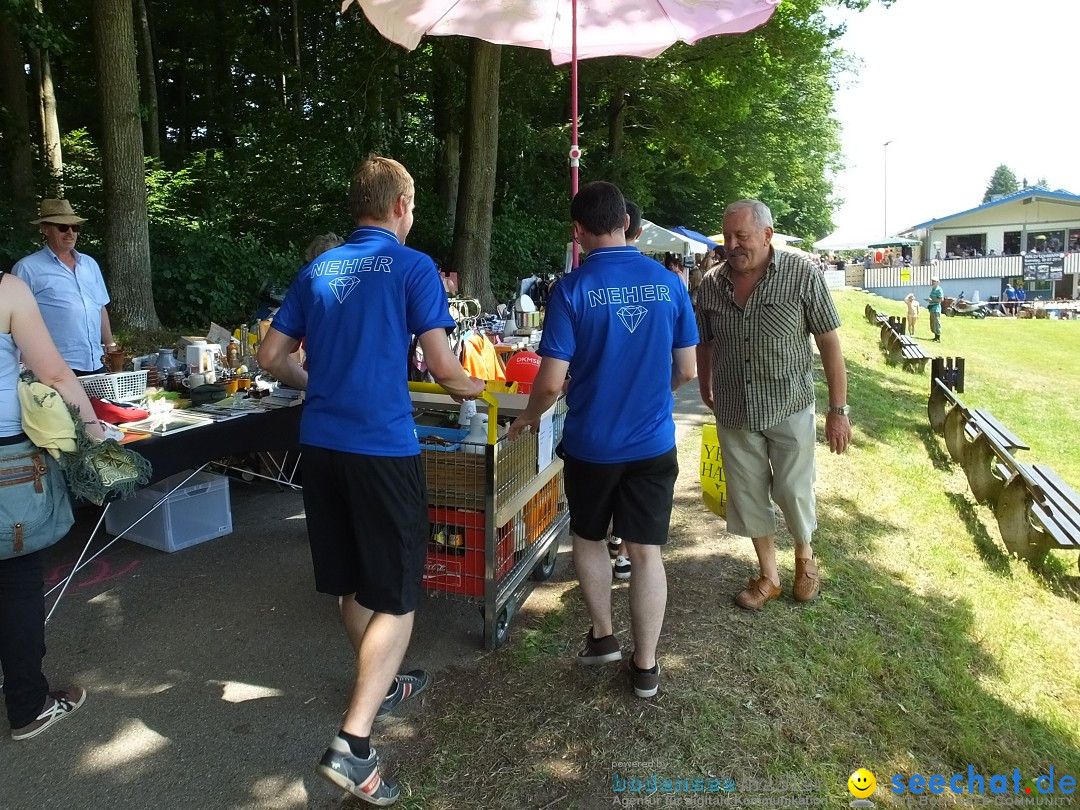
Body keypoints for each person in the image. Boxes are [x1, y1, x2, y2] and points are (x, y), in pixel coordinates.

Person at [258, 156, 486, 806]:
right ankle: (353, 745)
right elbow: (444, 367)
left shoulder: (318, 268)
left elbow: (270, 357)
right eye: (411, 207)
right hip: (382, 450)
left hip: (322, 448)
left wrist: (316, 383)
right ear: (400, 206)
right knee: (397, 592)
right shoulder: (412, 267)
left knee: (353, 580)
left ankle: (380, 682)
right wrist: (495, 392)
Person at [508, 181, 697, 699]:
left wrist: (528, 418)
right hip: (652, 442)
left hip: (592, 444)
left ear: (578, 231)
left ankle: (603, 636)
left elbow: (549, 382)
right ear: (625, 223)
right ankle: (646, 667)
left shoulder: (571, 289)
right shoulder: (669, 282)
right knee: (647, 552)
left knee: (589, 538)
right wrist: (646, 394)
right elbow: (686, 369)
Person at [695, 200, 851, 611]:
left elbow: (830, 343)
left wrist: (839, 410)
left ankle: (804, 558)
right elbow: (705, 340)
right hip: (733, 407)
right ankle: (769, 575)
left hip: (789, 403)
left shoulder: (801, 275)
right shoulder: (711, 284)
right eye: (727, 237)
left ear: (767, 235)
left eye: (741, 237)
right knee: (747, 493)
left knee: (792, 489)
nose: (731, 245)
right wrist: (705, 384)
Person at [0, 269, 109, 741]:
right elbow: (55, 371)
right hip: (6, 461)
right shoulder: (7, 288)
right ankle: (28, 707)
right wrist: (93, 428)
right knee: (17, 584)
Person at [12, 200, 116, 376]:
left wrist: (110, 345)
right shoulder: (27, 268)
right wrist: (27, 365)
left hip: (94, 362)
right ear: (45, 229)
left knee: (98, 405)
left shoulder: (89, 264)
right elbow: (15, 320)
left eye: (75, 228)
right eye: (62, 227)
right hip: (54, 366)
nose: (70, 233)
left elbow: (99, 307)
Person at [927, 276, 944, 342]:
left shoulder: (939, 289)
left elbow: (941, 299)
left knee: (936, 322)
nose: (932, 282)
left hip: (936, 308)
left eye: (934, 281)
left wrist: (932, 300)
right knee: (932, 322)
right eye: (932, 281)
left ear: (937, 282)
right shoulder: (933, 289)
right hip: (932, 308)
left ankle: (938, 337)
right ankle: (935, 337)